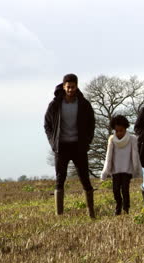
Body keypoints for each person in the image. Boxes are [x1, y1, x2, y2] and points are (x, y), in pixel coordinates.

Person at [44, 73, 96, 218]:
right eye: (68, 87)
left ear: (76, 86)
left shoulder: (84, 104)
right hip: (61, 147)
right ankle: (59, 214)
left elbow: (92, 124)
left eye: (73, 87)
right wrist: (52, 142)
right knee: (60, 179)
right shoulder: (54, 105)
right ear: (63, 86)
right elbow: (47, 125)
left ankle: (91, 213)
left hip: (79, 146)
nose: (70, 90)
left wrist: (87, 141)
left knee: (85, 178)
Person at [101, 115, 142, 215]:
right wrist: (106, 171)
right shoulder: (111, 140)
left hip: (127, 170)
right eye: (117, 131)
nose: (119, 133)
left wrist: (136, 169)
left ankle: (126, 208)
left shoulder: (132, 139)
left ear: (125, 129)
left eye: (121, 130)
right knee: (115, 190)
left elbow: (135, 155)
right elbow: (108, 156)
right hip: (115, 170)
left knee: (125, 190)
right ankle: (118, 205)